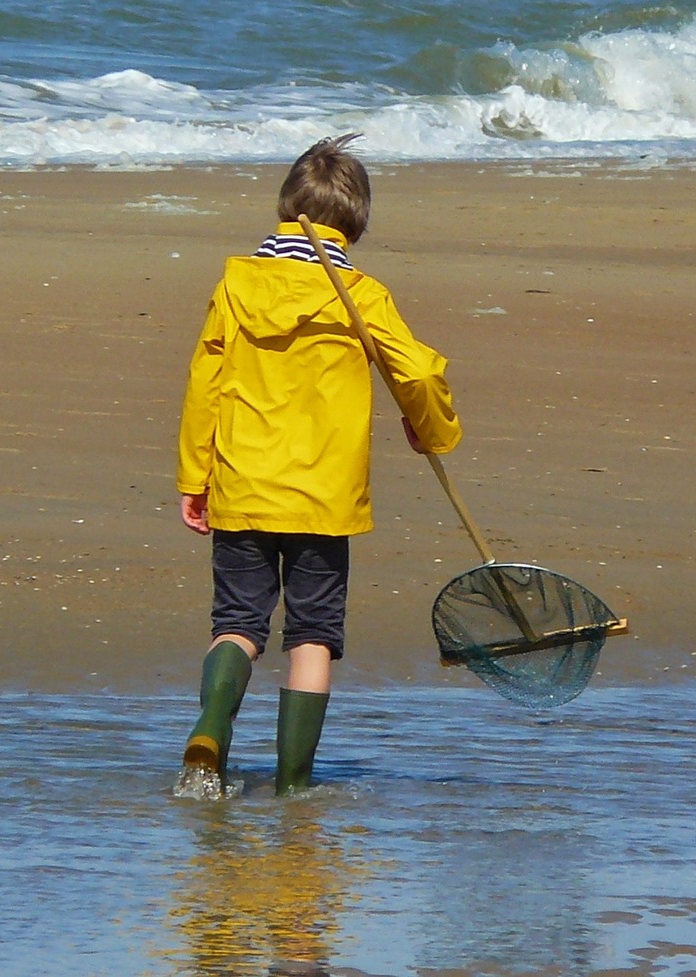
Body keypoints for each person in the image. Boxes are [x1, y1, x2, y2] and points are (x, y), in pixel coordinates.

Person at [175, 133, 462, 797]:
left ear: (286, 211)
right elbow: (415, 369)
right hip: (324, 497)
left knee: (238, 623)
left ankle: (212, 723)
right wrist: (432, 428)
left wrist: (196, 475)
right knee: (311, 634)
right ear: (353, 223)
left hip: (245, 483)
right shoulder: (360, 294)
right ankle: (293, 783)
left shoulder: (237, 284)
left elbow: (204, 382)